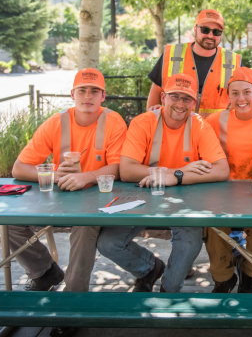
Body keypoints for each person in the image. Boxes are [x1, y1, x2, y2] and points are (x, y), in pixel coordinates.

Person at [12, 68, 127, 337]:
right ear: (72, 94)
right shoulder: (56, 122)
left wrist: (86, 177)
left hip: (97, 198)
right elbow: (20, 167)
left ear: (103, 96)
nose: (88, 96)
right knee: (11, 223)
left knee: (84, 227)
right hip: (58, 197)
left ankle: (73, 304)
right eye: (82, 90)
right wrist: (54, 173)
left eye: (94, 91)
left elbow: (121, 167)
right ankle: (43, 271)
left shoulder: (113, 121)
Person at [96, 73, 230, 293]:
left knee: (189, 242)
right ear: (163, 97)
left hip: (187, 201)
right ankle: (148, 268)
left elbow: (222, 170)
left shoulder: (200, 125)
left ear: (194, 103)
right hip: (143, 196)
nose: (180, 104)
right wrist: (175, 172)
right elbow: (127, 170)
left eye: (186, 99)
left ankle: (168, 292)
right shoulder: (143, 122)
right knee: (108, 243)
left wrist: (175, 178)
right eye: (174, 96)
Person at [204, 67, 252, 293]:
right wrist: (157, 112)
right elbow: (190, 127)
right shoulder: (214, 120)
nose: (241, 99)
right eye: (235, 93)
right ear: (228, 96)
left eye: (247, 92)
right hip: (224, 195)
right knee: (213, 228)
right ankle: (224, 278)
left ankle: (249, 274)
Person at [145, 9, 243, 117]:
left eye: (216, 32)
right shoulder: (172, 54)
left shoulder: (234, 61)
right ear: (195, 29)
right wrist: (153, 122)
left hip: (216, 131)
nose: (210, 36)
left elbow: (243, 99)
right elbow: (155, 92)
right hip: (176, 130)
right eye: (205, 30)